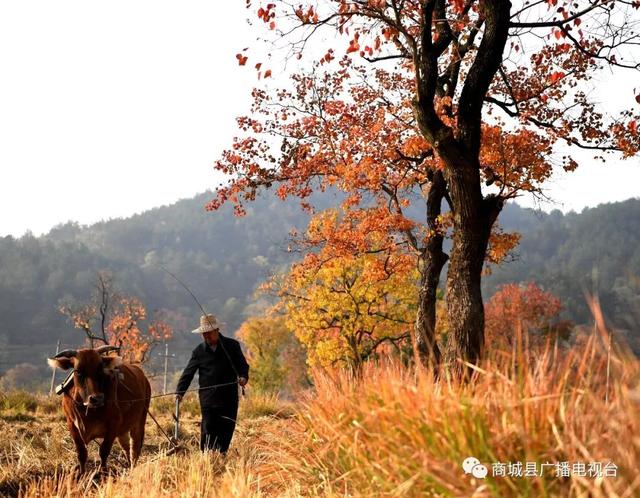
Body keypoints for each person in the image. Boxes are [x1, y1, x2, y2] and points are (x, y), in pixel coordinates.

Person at [175, 314, 249, 453]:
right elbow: (188, 373)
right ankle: (207, 457)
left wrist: (243, 377)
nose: (206, 337)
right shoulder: (198, 351)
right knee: (208, 428)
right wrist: (180, 392)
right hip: (208, 398)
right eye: (204, 334)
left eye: (209, 334)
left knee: (227, 426)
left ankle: (222, 454)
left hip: (229, 396)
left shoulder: (232, 346)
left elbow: (242, 366)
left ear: (217, 331)